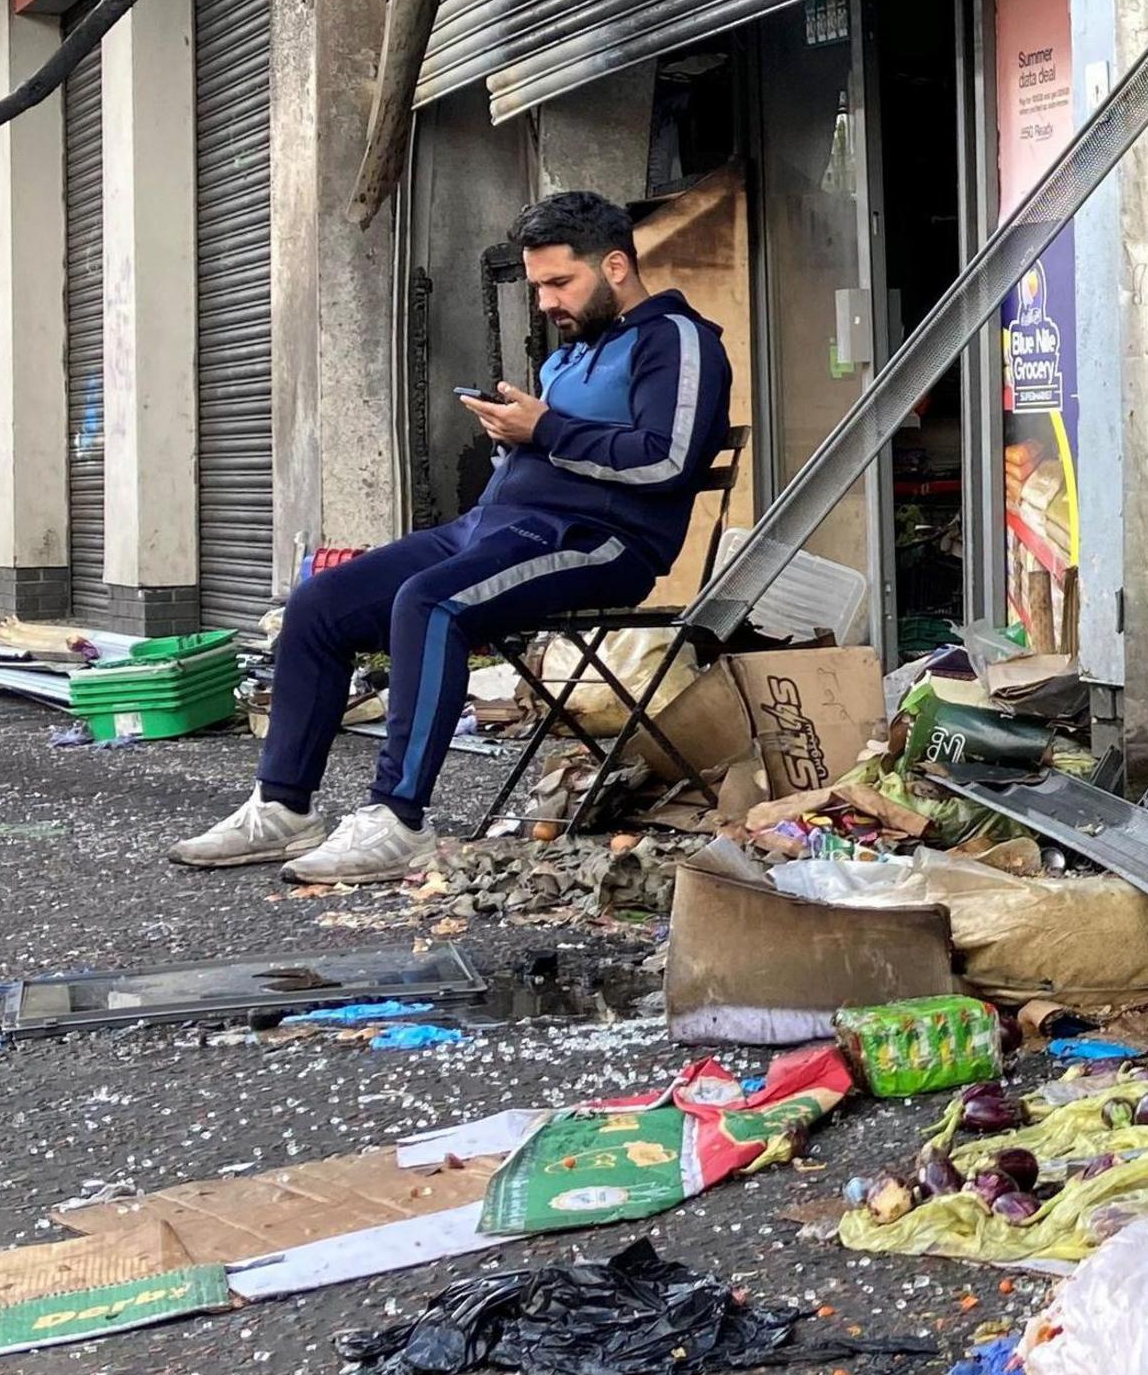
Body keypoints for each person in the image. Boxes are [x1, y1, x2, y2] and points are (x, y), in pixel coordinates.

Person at [173, 190, 733, 884]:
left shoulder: (678, 339)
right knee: (319, 602)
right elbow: (560, 448)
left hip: (600, 542)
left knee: (430, 602)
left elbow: (668, 457)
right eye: (539, 286)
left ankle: (398, 818)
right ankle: (283, 807)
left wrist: (544, 430)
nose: (549, 301)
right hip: (496, 527)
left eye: (562, 281)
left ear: (616, 265)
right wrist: (512, 438)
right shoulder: (569, 357)